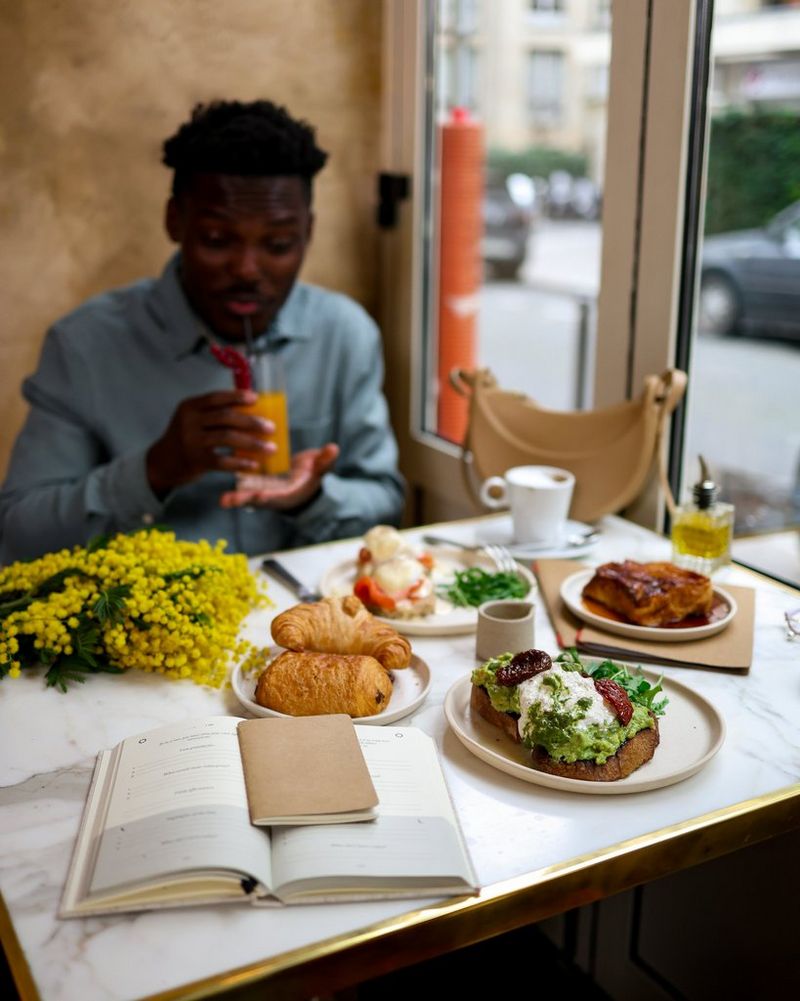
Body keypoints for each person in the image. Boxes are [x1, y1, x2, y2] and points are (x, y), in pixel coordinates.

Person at [0, 100, 405, 563]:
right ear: (175, 221)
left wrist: (310, 497)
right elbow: (18, 533)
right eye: (217, 240)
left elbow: (385, 500)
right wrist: (154, 472)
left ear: (308, 233)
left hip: (299, 626)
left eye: (277, 244)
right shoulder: (86, 346)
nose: (247, 269)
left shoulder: (344, 335)